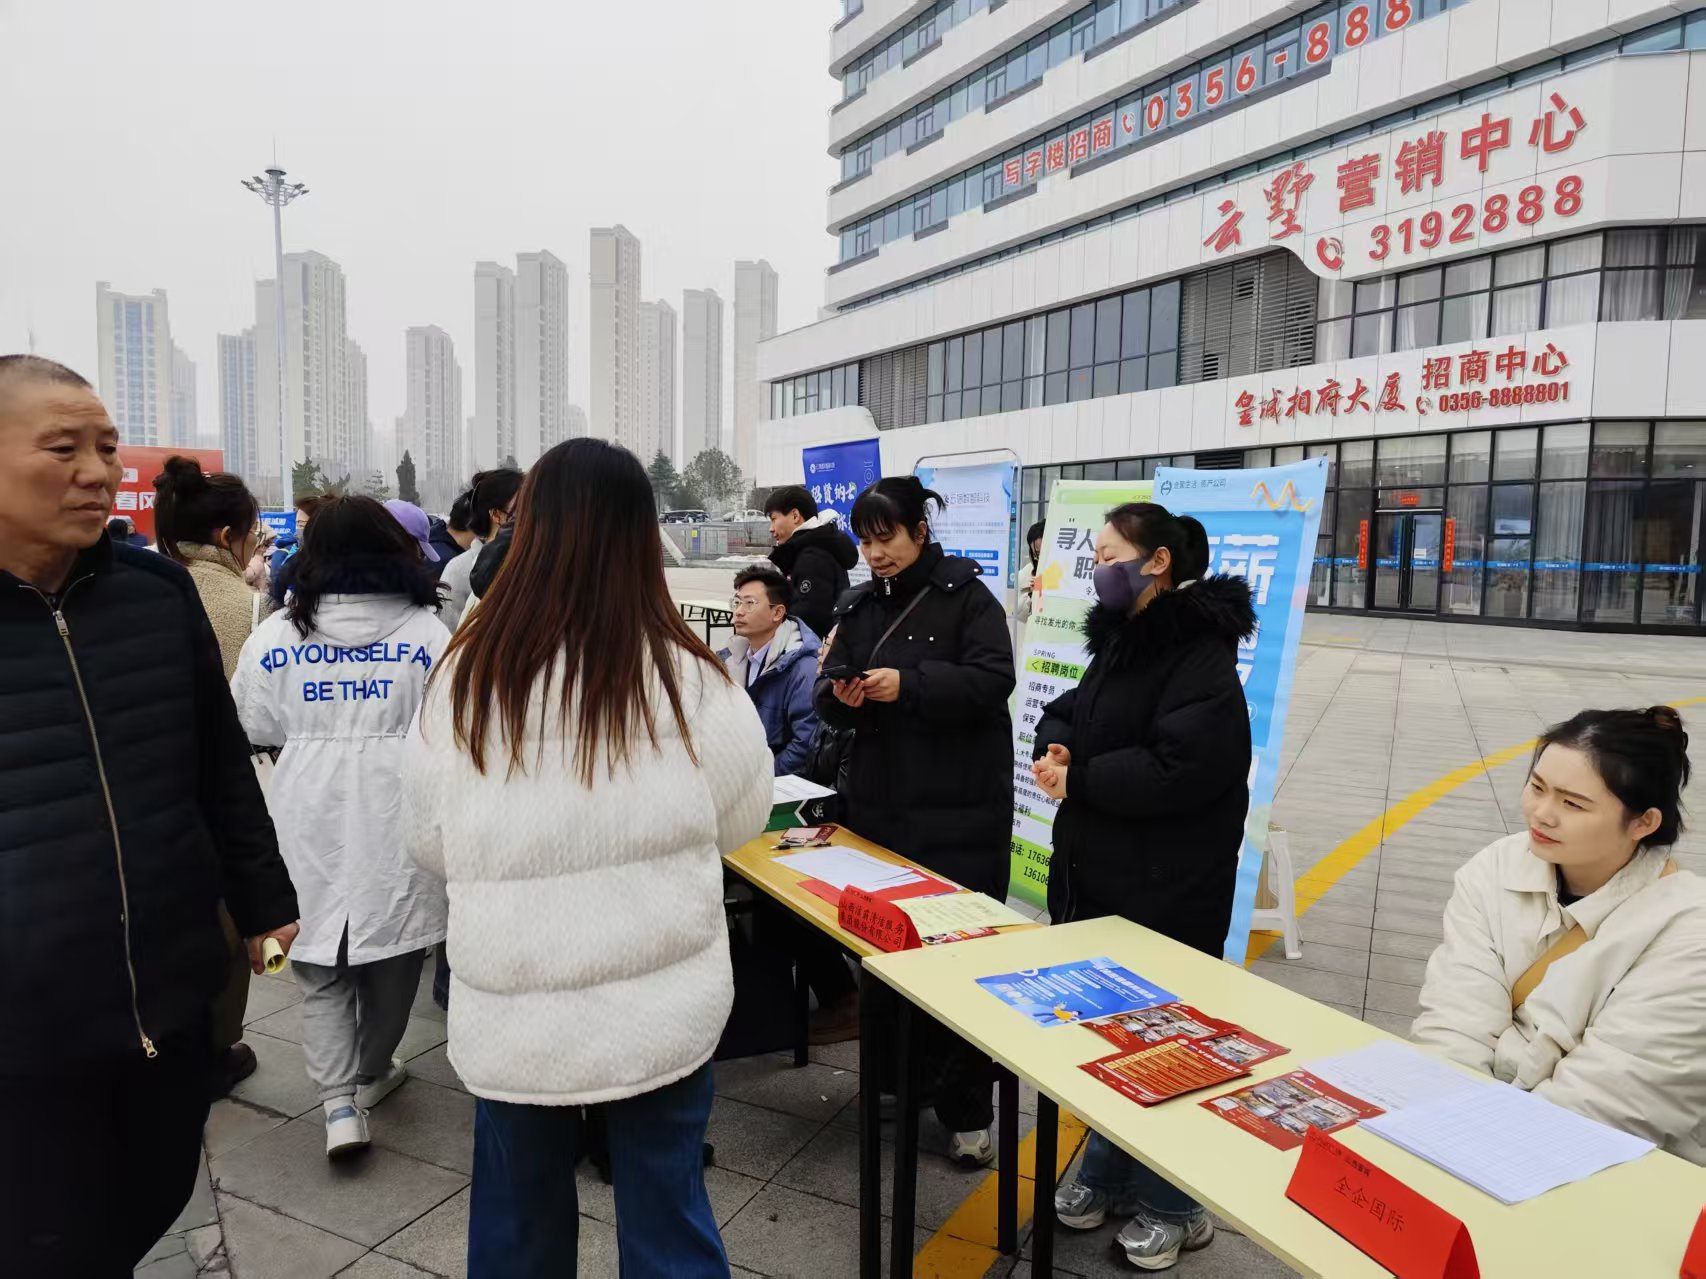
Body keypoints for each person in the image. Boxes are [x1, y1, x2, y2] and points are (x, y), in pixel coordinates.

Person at [401, 438, 772, 1277]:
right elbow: (743, 818)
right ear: (641, 537)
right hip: (661, 1007)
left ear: (528, 528)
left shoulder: (464, 677)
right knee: (669, 1218)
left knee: (517, 1228)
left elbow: (426, 839)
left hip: (513, 1012)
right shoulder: (689, 676)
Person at [0, 355, 300, 1271]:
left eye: (106, 447)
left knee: (155, 1192)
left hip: (167, 993)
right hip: (26, 1032)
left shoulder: (156, 595)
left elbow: (221, 766)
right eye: (63, 448)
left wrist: (264, 901)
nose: (97, 472)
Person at [1033, 501, 1256, 1270]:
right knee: (1107, 1034)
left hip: (1167, 888)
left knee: (1163, 1041)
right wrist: (1057, 745)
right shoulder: (1122, 638)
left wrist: (1083, 778)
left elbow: (1181, 766)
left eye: (1107, 555)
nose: (1097, 569)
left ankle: (1175, 1202)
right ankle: (1106, 1167)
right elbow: (1073, 710)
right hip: (1102, 878)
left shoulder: (1198, 653)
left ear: (1156, 561)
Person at [232, 495, 450, 1158]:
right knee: (396, 955)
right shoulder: (428, 634)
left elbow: (254, 723)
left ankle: (338, 1108)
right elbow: (454, 724)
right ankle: (373, 1070)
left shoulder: (277, 635)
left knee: (318, 964)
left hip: (308, 807)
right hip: (400, 802)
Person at [814, 475, 1015, 1165]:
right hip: (880, 814)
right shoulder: (859, 602)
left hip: (958, 815)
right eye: (866, 541)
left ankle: (967, 1113)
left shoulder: (968, 598)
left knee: (958, 960)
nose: (876, 554)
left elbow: (994, 680)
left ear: (920, 531)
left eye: (888, 538)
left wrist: (911, 684)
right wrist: (841, 695)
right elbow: (828, 690)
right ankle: (901, 1082)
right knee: (885, 957)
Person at [1413, 707, 1706, 1162]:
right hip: (1466, 1132)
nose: (1542, 814)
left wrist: (1482, 1152)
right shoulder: (1496, 867)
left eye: (1573, 804)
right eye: (1537, 787)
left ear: (1643, 823)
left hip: (1593, 1161)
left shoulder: (1689, 931)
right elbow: (1455, 1022)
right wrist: (1438, 1129)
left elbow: (1611, 1097)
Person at [153, 454, 270, 1097]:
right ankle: (216, 1048)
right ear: (228, 536)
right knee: (225, 930)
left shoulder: (142, 588)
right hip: (219, 789)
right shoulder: (248, 608)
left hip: (145, 796)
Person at [721, 563, 821, 776]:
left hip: (774, 781)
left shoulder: (804, 668)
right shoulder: (731, 658)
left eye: (749, 604)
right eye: (737, 602)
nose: (738, 612)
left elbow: (805, 745)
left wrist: (761, 779)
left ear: (777, 612)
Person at [766, 484, 857, 641]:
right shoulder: (809, 548)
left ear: (795, 516)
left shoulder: (813, 556)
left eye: (774, 519)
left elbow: (809, 618)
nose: (771, 528)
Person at [439, 468, 523, 623]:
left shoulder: (527, 561)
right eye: (521, 509)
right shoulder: (459, 569)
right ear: (496, 515)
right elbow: (449, 629)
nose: (529, 516)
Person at [1016, 519, 1045, 620]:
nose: (1038, 557)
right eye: (1036, 553)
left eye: (1043, 552)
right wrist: (1032, 595)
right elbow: (1020, 617)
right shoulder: (1025, 574)